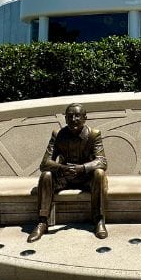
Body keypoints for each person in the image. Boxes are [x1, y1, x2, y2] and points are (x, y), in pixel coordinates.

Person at [28, 103, 109, 242]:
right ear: (65, 119)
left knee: (99, 173)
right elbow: (45, 163)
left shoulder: (94, 135)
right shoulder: (58, 135)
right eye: (70, 116)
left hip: (85, 177)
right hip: (64, 177)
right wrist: (62, 168)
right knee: (46, 175)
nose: (74, 119)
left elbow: (102, 161)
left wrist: (82, 168)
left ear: (85, 118)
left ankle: (99, 220)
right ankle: (42, 222)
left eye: (77, 115)